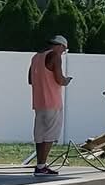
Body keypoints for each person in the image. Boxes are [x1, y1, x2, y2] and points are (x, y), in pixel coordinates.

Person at [27, 35, 72, 177]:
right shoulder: (55, 56)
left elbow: (30, 79)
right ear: (60, 46)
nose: (62, 53)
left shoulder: (35, 58)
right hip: (52, 102)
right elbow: (59, 79)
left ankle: (40, 165)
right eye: (64, 50)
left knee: (39, 135)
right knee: (50, 135)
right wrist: (66, 80)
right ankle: (42, 166)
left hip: (38, 102)